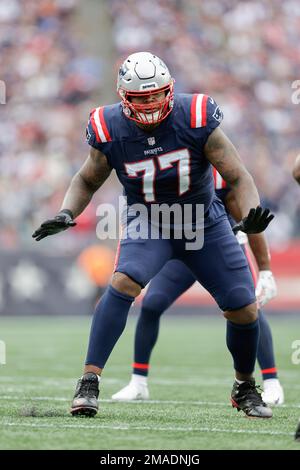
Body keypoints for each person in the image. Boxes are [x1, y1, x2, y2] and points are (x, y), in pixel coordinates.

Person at [33, 52, 274, 418]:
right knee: (123, 282)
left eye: (157, 94)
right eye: (141, 98)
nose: (150, 103)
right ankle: (89, 381)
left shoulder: (194, 116)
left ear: (170, 90)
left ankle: (244, 386)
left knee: (243, 307)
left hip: (203, 222)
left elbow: (239, 176)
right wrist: (68, 212)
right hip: (150, 220)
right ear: (124, 97)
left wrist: (252, 210)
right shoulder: (108, 125)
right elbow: (86, 178)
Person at [112, 168, 284, 406]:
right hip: (182, 250)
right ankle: (138, 382)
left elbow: (249, 220)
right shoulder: (170, 166)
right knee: (151, 304)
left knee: (247, 308)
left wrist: (265, 269)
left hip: (220, 250)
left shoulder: (219, 171)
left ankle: (272, 382)